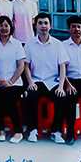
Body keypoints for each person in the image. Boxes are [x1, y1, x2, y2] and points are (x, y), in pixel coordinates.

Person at [23, 13, 70, 143]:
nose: (43, 26)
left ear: (50, 26)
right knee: (31, 96)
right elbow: (26, 66)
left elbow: (62, 67)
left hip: (53, 81)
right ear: (36, 26)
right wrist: (30, 82)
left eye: (45, 23)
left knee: (62, 98)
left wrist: (61, 86)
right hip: (36, 81)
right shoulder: (29, 44)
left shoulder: (58, 44)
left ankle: (56, 131)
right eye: (40, 23)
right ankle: (33, 130)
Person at [0, 15, 25, 143]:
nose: (4, 28)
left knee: (10, 99)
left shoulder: (17, 44)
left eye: (6, 25)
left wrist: (10, 81)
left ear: (11, 27)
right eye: (1, 25)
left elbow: (21, 66)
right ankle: (1, 130)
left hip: (15, 83)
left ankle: (18, 131)